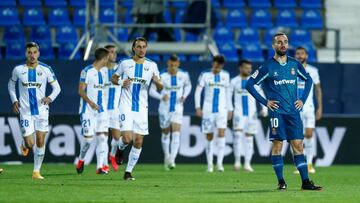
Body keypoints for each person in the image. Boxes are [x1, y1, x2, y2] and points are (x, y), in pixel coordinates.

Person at [245, 33, 322, 190]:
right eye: (279, 42)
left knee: (298, 146)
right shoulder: (267, 66)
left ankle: (305, 182)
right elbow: (249, 84)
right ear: (273, 46)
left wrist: (302, 100)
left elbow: (309, 80)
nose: (283, 45)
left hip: (293, 112)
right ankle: (281, 181)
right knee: (278, 147)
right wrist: (265, 102)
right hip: (277, 113)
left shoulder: (294, 64)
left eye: (285, 42)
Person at [111, 37, 163, 180]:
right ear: (133, 48)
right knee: (127, 139)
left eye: (144, 47)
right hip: (125, 106)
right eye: (139, 47)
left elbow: (160, 86)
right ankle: (120, 150)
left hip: (141, 108)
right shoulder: (125, 63)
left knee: (138, 141)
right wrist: (121, 81)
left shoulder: (152, 65)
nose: (141, 49)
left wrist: (158, 83)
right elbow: (113, 78)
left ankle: (128, 172)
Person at [8, 42, 61, 179]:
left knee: (41, 140)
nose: (32, 55)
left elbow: (57, 88)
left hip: (42, 111)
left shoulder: (46, 69)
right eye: (29, 52)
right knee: (30, 144)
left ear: (39, 53)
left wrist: (50, 98)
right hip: (25, 112)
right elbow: (11, 84)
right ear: (25, 53)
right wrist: (14, 100)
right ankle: (25, 144)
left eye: (34, 52)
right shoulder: (18, 69)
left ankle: (36, 172)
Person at [149, 54, 192, 170]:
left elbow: (188, 86)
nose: (173, 67)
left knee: (176, 133)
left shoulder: (184, 75)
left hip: (178, 107)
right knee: (166, 132)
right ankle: (166, 156)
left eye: (175, 65)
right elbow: (151, 91)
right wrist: (161, 97)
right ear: (168, 64)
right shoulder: (161, 75)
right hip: (164, 108)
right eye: (171, 65)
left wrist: (184, 95)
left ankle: (172, 159)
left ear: (178, 64)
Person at [228, 59, 267, 172]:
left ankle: (247, 164)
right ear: (240, 68)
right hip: (239, 113)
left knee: (249, 138)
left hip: (252, 114)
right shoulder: (234, 81)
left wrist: (264, 108)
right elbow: (228, 96)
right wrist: (230, 109)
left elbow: (260, 94)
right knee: (238, 137)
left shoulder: (254, 81)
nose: (249, 70)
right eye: (246, 67)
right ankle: (237, 162)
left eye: (250, 68)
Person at [194, 55, 231, 173]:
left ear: (222, 65)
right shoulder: (205, 75)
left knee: (222, 133)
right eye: (216, 64)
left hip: (222, 110)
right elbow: (198, 92)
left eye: (219, 65)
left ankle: (219, 164)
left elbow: (228, 93)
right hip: (208, 110)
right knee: (209, 136)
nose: (217, 66)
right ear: (212, 63)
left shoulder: (226, 75)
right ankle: (210, 164)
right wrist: (198, 107)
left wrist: (230, 109)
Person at [76, 48, 110, 175]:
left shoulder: (105, 72)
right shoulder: (86, 71)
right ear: (104, 58)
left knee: (102, 138)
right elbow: (80, 91)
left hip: (102, 111)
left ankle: (100, 167)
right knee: (89, 140)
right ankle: (81, 159)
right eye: (108, 57)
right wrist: (91, 103)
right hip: (87, 111)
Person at [295, 46, 323, 174]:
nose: (300, 56)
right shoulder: (290, 70)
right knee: (297, 138)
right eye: (297, 54)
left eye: (302, 53)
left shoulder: (313, 71)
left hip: (309, 108)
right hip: (295, 109)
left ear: (306, 56)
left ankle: (310, 163)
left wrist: (320, 107)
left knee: (309, 134)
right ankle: (299, 165)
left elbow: (318, 89)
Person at [102, 45, 122, 172]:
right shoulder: (99, 70)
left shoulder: (120, 70)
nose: (114, 54)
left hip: (115, 109)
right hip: (102, 110)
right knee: (103, 138)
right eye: (111, 52)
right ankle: (104, 165)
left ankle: (112, 155)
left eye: (115, 52)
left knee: (118, 138)